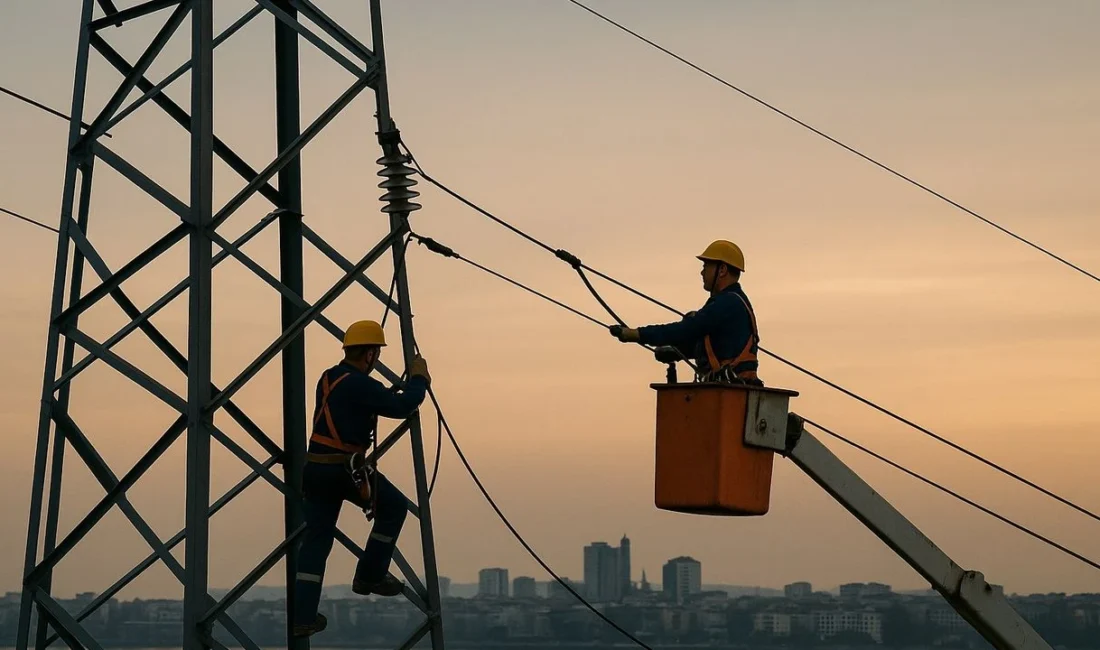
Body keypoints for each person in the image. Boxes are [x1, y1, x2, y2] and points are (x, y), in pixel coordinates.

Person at [292, 319, 431, 638]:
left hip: (316, 469)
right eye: (376, 354)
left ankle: (303, 617)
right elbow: (402, 405)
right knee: (394, 507)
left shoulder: (328, 377)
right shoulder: (360, 385)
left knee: (316, 540)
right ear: (369, 354)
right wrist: (419, 379)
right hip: (345, 469)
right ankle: (370, 575)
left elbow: (358, 405)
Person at [609, 240, 761, 385]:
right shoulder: (734, 302)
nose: (702, 272)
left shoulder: (727, 303)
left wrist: (636, 334)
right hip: (735, 388)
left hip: (729, 391)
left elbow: (685, 330)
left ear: (722, 270)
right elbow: (721, 348)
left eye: (706, 266)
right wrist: (677, 352)